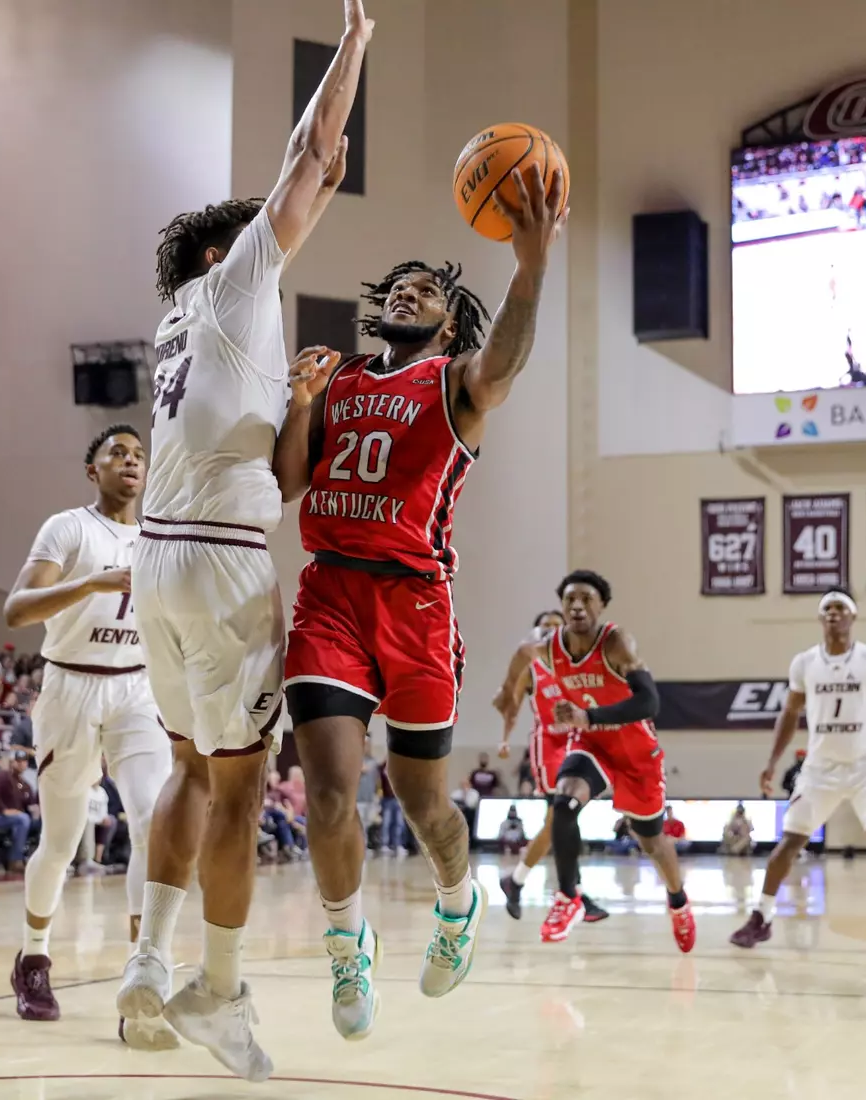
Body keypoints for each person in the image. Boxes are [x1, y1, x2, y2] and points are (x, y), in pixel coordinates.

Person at [115, 2, 370, 1080]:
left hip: (164, 556)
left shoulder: (184, 326)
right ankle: (217, 989)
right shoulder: (230, 281)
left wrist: (298, 403)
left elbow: (282, 479)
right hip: (218, 563)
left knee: (187, 768)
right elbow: (311, 155)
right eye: (258, 225)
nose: (282, 224)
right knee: (238, 780)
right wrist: (355, 42)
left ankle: (144, 962)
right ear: (228, 250)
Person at [271, 157, 567, 1034]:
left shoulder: (457, 385)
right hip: (328, 595)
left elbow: (506, 358)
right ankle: (347, 949)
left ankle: (456, 901)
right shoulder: (343, 378)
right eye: (397, 287)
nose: (406, 293)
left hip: (415, 605)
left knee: (422, 799)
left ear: (450, 320)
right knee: (327, 791)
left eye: (425, 290)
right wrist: (298, 403)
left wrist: (531, 266)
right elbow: (288, 484)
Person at [3, 426, 175, 1043]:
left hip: (137, 687)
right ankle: (33, 957)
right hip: (70, 685)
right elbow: (16, 609)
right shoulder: (67, 528)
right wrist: (91, 583)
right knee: (61, 837)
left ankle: (144, 973)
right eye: (117, 454)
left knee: (155, 817)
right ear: (91, 469)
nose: (130, 462)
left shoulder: (161, 533)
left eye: (138, 456)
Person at [730, 590, 866, 955]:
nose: (834, 614)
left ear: (853, 617)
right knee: (789, 842)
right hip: (820, 768)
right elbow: (789, 714)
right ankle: (762, 917)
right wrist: (772, 762)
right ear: (821, 620)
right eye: (828, 609)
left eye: (841, 608)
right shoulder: (804, 663)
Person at [531, 571, 693, 951]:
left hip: (637, 753)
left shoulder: (616, 642)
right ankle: (568, 897)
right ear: (561, 605)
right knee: (564, 802)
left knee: (651, 842)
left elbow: (649, 702)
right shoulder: (548, 649)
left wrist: (590, 715)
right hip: (592, 746)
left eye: (587, 598)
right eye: (570, 598)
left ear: (601, 606)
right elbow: (544, 686)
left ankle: (678, 903)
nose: (577, 605)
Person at [493, 609, 609, 923]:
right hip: (548, 744)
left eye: (557, 626)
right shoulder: (531, 665)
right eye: (546, 626)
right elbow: (510, 705)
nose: (551, 631)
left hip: (576, 740)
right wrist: (504, 739)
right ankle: (574, 893)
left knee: (562, 820)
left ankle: (518, 881)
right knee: (560, 819)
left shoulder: (576, 665)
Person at [0, 752, 36, 869]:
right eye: (18, 761)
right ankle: (15, 860)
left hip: (17, 819)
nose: (21, 764)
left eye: (24, 761)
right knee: (22, 819)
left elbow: (31, 804)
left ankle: (36, 861)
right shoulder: (3, 776)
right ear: (11, 762)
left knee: (40, 822)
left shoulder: (25, 785)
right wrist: (4, 810)